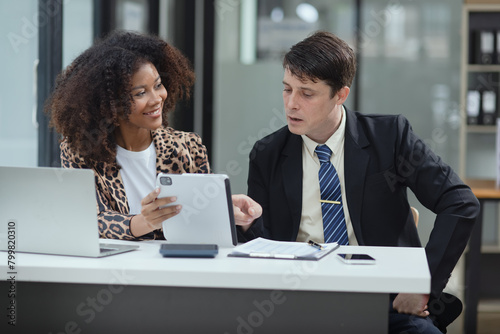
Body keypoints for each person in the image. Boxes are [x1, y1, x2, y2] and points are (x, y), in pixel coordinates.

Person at [240, 31, 480, 333]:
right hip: (299, 302)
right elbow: (266, 248)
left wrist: (424, 284)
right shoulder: (267, 154)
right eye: (287, 89)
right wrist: (248, 225)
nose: (291, 104)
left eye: (307, 93)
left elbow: (460, 203)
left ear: (341, 94)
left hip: (385, 303)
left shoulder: (390, 138)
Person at [45, 30, 261, 241]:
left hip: (174, 269)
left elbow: (202, 228)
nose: (157, 98)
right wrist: (144, 222)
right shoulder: (81, 151)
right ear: (109, 105)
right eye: (140, 93)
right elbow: (90, 219)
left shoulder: (187, 146)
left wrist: (226, 212)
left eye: (158, 85)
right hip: (111, 269)